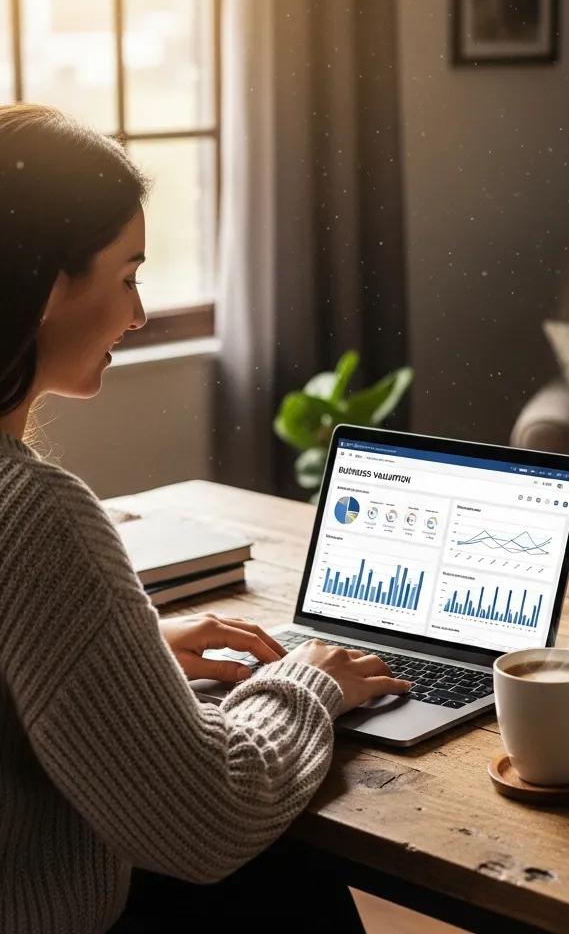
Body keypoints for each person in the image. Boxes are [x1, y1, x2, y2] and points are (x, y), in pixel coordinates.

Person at [0, 103, 412, 933]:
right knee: (290, 884)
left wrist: (133, 659)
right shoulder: (36, 516)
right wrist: (308, 682)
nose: (138, 314)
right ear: (48, 284)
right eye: (126, 275)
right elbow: (207, 819)